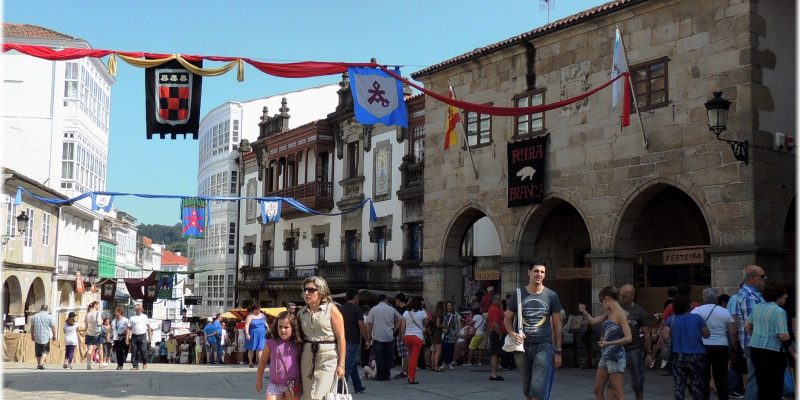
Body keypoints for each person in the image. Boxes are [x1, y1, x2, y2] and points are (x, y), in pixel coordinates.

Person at [504, 262, 564, 400]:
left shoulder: (551, 295)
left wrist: (558, 351)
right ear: (529, 272)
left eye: (542, 272)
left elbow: (557, 325)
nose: (539, 274)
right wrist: (512, 333)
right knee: (528, 390)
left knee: (537, 389)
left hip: (544, 346)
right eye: (536, 271)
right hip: (522, 348)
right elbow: (507, 319)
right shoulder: (518, 294)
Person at [297, 276, 346, 400]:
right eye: (305, 289)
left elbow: (341, 338)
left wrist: (341, 364)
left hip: (328, 357)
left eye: (311, 290)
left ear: (321, 292)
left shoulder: (332, 310)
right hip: (307, 356)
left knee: (319, 395)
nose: (307, 292)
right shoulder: (300, 313)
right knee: (308, 395)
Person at [579, 286, 632, 400]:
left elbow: (628, 338)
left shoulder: (621, 314)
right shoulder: (609, 311)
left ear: (606, 298)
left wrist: (609, 343)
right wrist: (584, 312)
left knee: (618, 394)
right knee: (597, 390)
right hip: (606, 356)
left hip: (616, 357)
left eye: (602, 301)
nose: (602, 304)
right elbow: (593, 321)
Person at [745, 283, 789, 400]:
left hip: (755, 348)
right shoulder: (779, 311)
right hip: (772, 350)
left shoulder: (758, 307)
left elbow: (747, 326)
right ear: (777, 297)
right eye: (784, 294)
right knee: (775, 383)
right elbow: (783, 335)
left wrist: (755, 335)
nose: (786, 296)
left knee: (762, 381)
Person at [661, 294, 710, 400]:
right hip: (697, 355)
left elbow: (665, 335)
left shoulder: (671, 319)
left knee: (679, 386)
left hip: (678, 355)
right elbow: (707, 334)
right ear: (688, 306)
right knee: (697, 385)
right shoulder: (697, 318)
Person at [691, 288, 737, 400]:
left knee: (704, 377)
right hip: (721, 346)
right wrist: (734, 347)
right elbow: (732, 332)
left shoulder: (697, 311)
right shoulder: (724, 311)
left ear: (704, 298)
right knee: (721, 377)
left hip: (703, 346)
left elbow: (692, 328)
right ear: (716, 299)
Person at [731, 265, 766, 400]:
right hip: (755, 343)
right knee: (755, 379)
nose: (765, 279)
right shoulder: (749, 295)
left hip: (753, 343)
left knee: (757, 378)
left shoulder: (750, 293)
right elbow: (751, 324)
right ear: (752, 278)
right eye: (762, 276)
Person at [616, 284, 655, 400]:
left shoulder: (639, 311)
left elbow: (647, 333)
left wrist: (649, 352)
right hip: (617, 349)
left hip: (633, 349)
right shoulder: (616, 308)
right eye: (620, 295)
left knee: (637, 380)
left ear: (632, 296)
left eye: (624, 296)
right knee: (614, 380)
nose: (621, 298)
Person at [257, 310, 303, 400]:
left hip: (293, 385)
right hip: (274, 384)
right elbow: (262, 361)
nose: (282, 330)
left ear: (293, 328)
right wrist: (259, 379)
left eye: (286, 327)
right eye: (280, 327)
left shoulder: (298, 344)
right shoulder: (271, 342)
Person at [365, 293, 402, 381]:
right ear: (386, 300)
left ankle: (380, 375)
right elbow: (400, 318)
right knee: (388, 356)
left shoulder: (373, 309)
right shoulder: (391, 309)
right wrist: (394, 328)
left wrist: (369, 335)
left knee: (379, 357)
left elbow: (369, 324)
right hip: (389, 336)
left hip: (377, 336)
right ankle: (387, 375)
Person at [339, 289, 368, 394]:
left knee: (352, 364)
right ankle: (340, 390)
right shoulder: (357, 309)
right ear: (355, 297)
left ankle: (358, 386)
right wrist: (367, 338)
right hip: (353, 340)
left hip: (342, 340)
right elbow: (361, 325)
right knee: (347, 366)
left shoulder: (341, 309)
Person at [401, 296, 427, 384]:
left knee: (410, 355)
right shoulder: (422, 312)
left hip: (407, 336)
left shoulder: (405, 313)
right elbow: (425, 324)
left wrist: (402, 337)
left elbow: (403, 327)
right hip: (417, 337)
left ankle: (409, 375)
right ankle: (411, 378)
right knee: (414, 358)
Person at [486, 293, 508, 381]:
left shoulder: (495, 309)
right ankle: (493, 373)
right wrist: (500, 335)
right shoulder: (494, 309)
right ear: (494, 300)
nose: (500, 301)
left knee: (496, 354)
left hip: (496, 333)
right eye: (498, 299)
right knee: (495, 354)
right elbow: (495, 324)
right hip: (497, 334)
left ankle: (494, 372)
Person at [30, 304, 56, 370]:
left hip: (37, 336)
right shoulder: (49, 317)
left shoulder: (35, 316)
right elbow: (53, 327)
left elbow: (32, 327)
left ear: (41, 308)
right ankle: (42, 362)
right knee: (46, 350)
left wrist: (32, 335)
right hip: (46, 336)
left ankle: (39, 364)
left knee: (38, 351)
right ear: (47, 309)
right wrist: (54, 335)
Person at [129, 303, 153, 371]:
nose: (139, 310)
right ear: (135, 310)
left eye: (140, 309)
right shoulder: (132, 318)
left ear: (141, 309)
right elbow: (129, 327)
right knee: (134, 352)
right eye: (137, 309)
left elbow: (148, 326)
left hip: (142, 335)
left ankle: (144, 362)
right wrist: (128, 336)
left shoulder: (145, 316)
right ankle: (135, 365)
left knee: (143, 351)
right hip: (134, 336)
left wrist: (149, 336)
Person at [392, 293, 410, 379]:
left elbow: (401, 322)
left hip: (402, 333)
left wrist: (397, 332)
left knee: (404, 354)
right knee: (405, 354)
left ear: (398, 300)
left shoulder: (401, 310)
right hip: (408, 333)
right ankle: (405, 371)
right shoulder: (409, 309)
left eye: (396, 300)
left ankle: (405, 371)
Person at [83, 301, 104, 369]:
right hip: (97, 333)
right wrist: (102, 321)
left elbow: (86, 324)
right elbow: (98, 323)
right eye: (98, 305)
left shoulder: (87, 314)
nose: (99, 307)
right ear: (95, 305)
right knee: (100, 348)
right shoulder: (98, 313)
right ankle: (101, 363)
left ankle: (88, 364)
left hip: (89, 333)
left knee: (89, 349)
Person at [441, 301, 460, 370]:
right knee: (445, 349)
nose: (449, 307)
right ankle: (444, 362)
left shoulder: (455, 314)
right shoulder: (443, 315)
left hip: (453, 333)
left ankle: (450, 363)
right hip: (445, 334)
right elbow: (442, 323)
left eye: (450, 305)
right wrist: (443, 329)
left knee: (451, 348)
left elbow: (458, 324)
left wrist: (458, 332)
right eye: (448, 306)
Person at [111, 306, 130, 370]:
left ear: (119, 312)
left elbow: (128, 329)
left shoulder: (125, 320)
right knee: (118, 352)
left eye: (115, 311)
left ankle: (122, 361)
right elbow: (112, 329)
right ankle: (120, 365)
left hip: (124, 337)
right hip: (116, 338)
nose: (114, 312)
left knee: (125, 351)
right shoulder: (113, 321)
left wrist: (127, 337)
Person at [430, 300, 445, 372]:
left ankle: (433, 365)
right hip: (437, 333)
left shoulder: (434, 313)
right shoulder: (439, 314)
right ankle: (436, 366)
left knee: (434, 351)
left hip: (433, 333)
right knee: (438, 351)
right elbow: (438, 325)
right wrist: (445, 326)